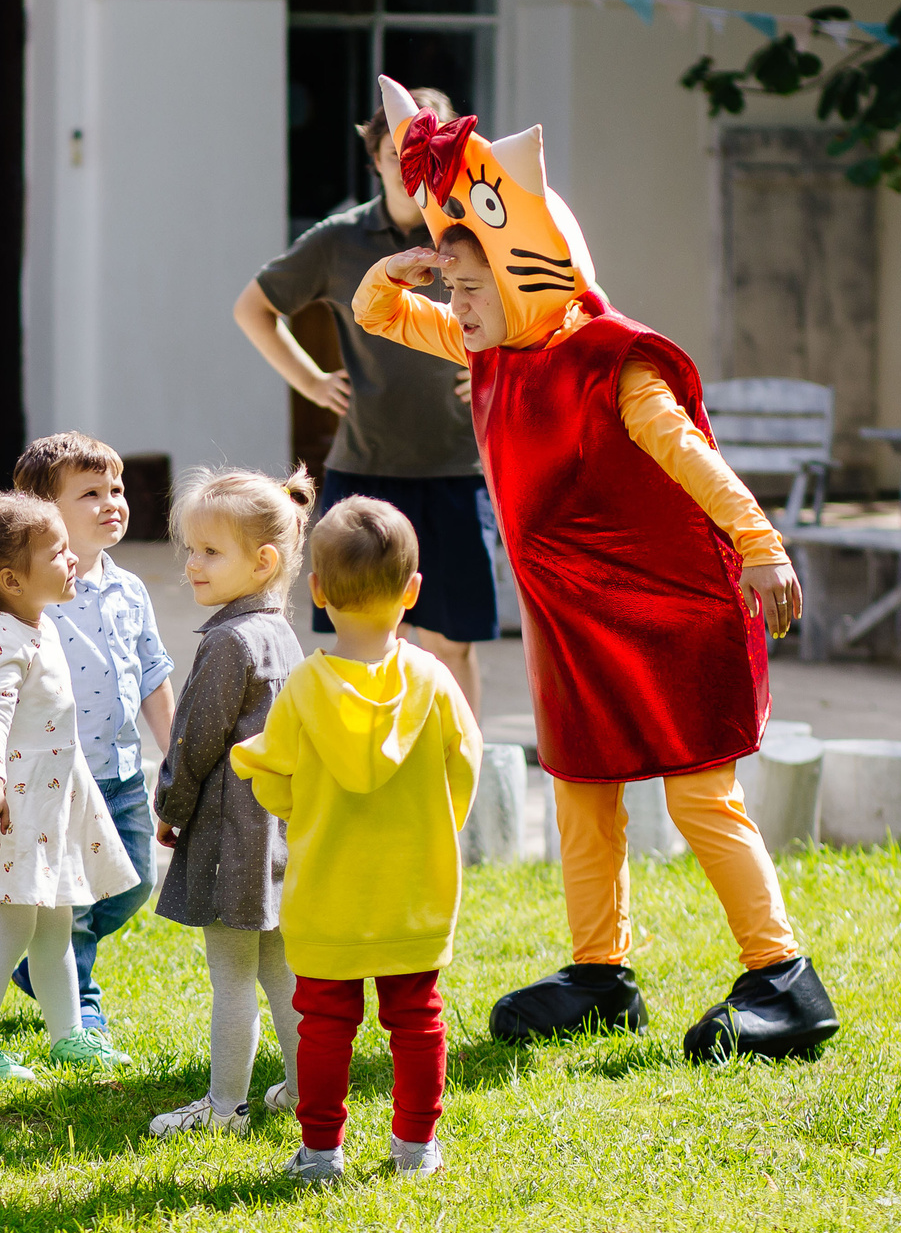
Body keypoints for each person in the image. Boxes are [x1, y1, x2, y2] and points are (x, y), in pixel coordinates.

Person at [351, 79, 839, 1061]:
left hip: (671, 610)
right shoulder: (490, 346)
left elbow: (691, 456)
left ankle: (783, 977)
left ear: (529, 278)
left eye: (472, 288)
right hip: (573, 624)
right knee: (581, 791)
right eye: (451, 292)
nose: (456, 307)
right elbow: (373, 308)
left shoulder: (608, 361)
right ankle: (600, 973)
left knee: (700, 797)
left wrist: (761, 547)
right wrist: (417, 260)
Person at [230, 498, 479, 1183]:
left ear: (316, 591)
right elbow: (465, 765)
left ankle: (320, 1151)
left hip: (328, 891)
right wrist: (434, 820)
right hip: (416, 891)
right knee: (418, 1020)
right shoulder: (433, 679)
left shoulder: (306, 686)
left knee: (325, 1024)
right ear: (413, 590)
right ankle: (413, 1148)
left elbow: (274, 777)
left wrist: (303, 806)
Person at [233, 84, 495, 716]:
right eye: (395, 152)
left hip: (462, 470)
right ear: (376, 157)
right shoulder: (337, 240)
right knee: (370, 640)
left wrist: (496, 373)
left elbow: (543, 312)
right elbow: (254, 309)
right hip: (368, 468)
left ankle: (455, 788)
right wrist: (313, 382)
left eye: (426, 151)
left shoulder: (485, 230)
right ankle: (370, 773)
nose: (410, 166)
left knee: (451, 646)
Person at [0, 492, 141, 1081]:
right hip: (16, 806)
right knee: (12, 926)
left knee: (56, 922)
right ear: (10, 579)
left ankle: (69, 1035)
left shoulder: (35, 624)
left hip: (50, 802)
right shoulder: (2, 640)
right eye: (57, 552)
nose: (72, 557)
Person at [146, 468, 312, 1138]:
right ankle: (305, 1090)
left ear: (263, 560)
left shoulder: (226, 642)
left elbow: (194, 739)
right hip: (277, 833)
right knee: (283, 974)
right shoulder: (281, 634)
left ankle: (223, 1110)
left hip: (229, 837)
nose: (192, 563)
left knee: (233, 977)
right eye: (190, 548)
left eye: (210, 551)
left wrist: (171, 804)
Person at [6, 433, 174, 1033]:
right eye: (91, 493)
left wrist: (174, 755)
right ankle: (79, 1005)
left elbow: (152, 675)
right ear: (43, 513)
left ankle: (40, 965)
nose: (112, 503)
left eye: (117, 490)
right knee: (73, 900)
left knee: (132, 883)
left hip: (123, 773)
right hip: (61, 775)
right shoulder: (34, 596)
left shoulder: (129, 590)